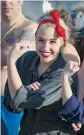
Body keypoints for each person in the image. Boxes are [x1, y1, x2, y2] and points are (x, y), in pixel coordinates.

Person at [4, 9, 78, 135]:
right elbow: (9, 102)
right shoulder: (26, 60)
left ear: (62, 42)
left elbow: (21, 100)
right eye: (41, 40)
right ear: (35, 39)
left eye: (53, 42)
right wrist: (23, 93)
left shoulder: (64, 73)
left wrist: (10, 60)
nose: (45, 48)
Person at [1, 0, 37, 134]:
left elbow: (20, 60)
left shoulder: (30, 28)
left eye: (12, 0)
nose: (6, 3)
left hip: (12, 102)